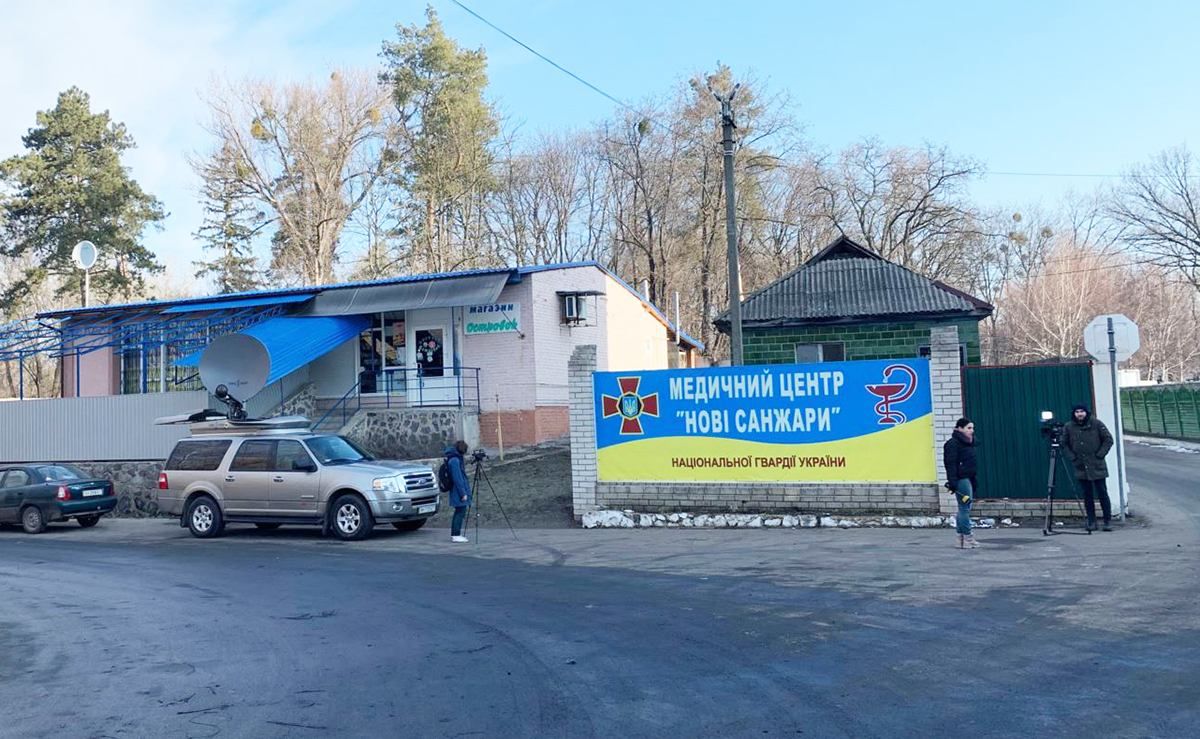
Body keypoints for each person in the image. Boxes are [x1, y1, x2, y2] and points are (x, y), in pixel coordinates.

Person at [1063, 404, 1114, 531]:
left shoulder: (1096, 424)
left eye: (1082, 411)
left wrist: (1099, 455)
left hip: (1097, 465)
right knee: (1087, 495)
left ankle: (1107, 521)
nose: (1080, 414)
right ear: (1074, 413)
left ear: (1086, 412)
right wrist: (1073, 457)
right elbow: (1063, 443)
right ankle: (1091, 521)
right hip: (1080, 466)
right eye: (1077, 412)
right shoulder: (1069, 427)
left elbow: (1108, 439)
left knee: (1102, 493)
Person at [944, 417, 980, 549]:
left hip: (969, 477)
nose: (972, 431)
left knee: (964, 508)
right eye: (969, 428)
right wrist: (952, 481)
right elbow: (950, 464)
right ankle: (967, 537)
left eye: (972, 428)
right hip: (961, 479)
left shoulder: (969, 444)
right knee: (964, 508)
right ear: (959, 429)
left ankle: (961, 538)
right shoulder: (953, 444)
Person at [444, 440, 473, 543]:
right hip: (458, 490)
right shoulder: (455, 461)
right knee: (460, 511)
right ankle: (456, 534)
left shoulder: (452, 458)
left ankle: (456, 534)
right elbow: (458, 478)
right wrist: (463, 493)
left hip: (457, 489)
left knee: (460, 511)